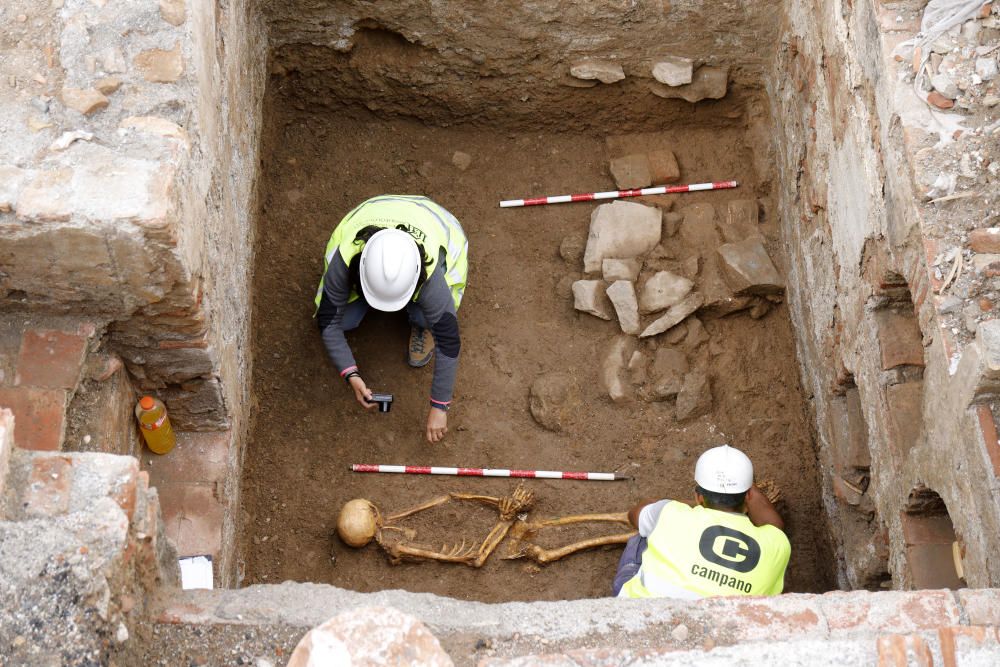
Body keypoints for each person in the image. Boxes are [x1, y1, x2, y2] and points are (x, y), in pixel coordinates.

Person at [314, 195, 468, 443]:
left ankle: (421, 324)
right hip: (374, 209)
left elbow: (449, 341)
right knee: (342, 320)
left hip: (434, 220)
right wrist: (351, 375)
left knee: (425, 316)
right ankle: (375, 295)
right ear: (360, 269)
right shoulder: (345, 257)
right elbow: (328, 322)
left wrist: (440, 407)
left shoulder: (429, 274)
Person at [613, 444, 790, 599]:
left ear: (698, 497)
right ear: (749, 496)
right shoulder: (777, 544)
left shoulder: (669, 513)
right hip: (723, 634)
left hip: (639, 616)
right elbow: (775, 525)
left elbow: (634, 515)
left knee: (644, 535)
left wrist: (677, 505)